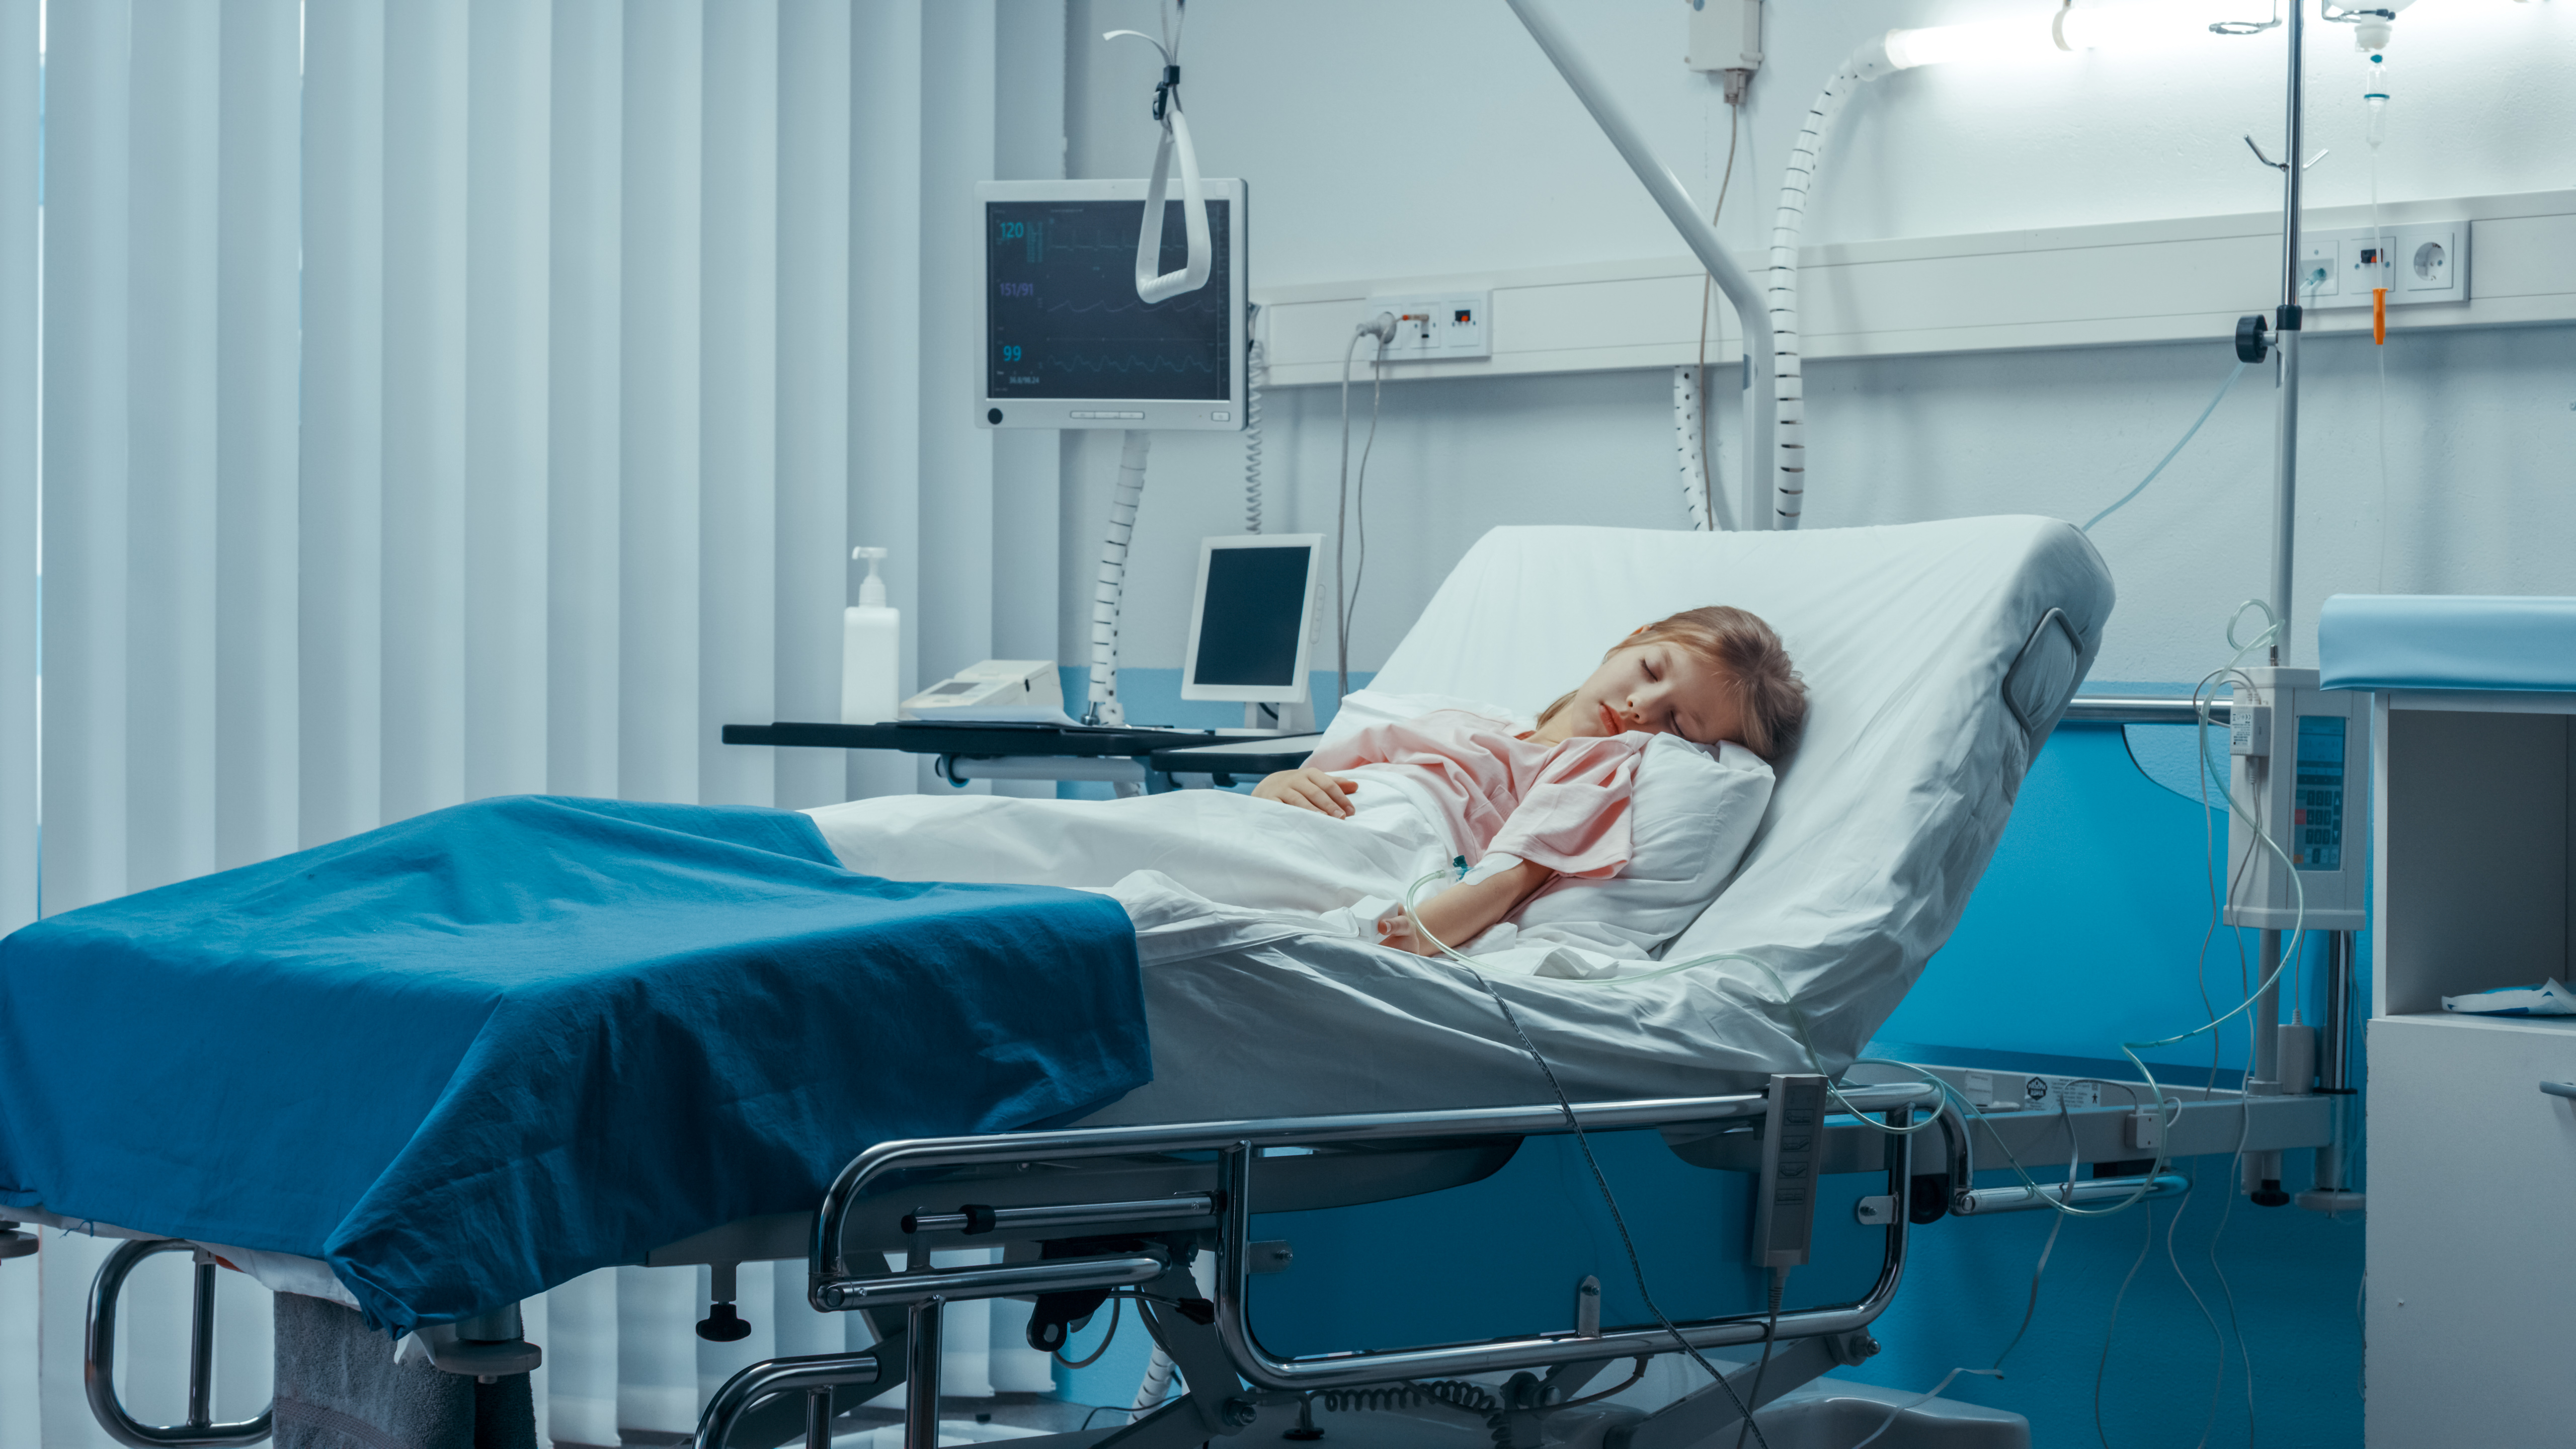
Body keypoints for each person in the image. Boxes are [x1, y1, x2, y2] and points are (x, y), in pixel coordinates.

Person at [1251, 606, 1805, 957]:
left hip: (1395, 842)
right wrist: (1273, 787)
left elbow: (1511, 875)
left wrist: (1416, 935)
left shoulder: (1598, 766)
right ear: (1631, 639)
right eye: (1652, 672)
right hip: (1304, 822)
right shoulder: (1466, 722)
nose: (1641, 708)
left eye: (1678, 723)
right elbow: (1322, 777)